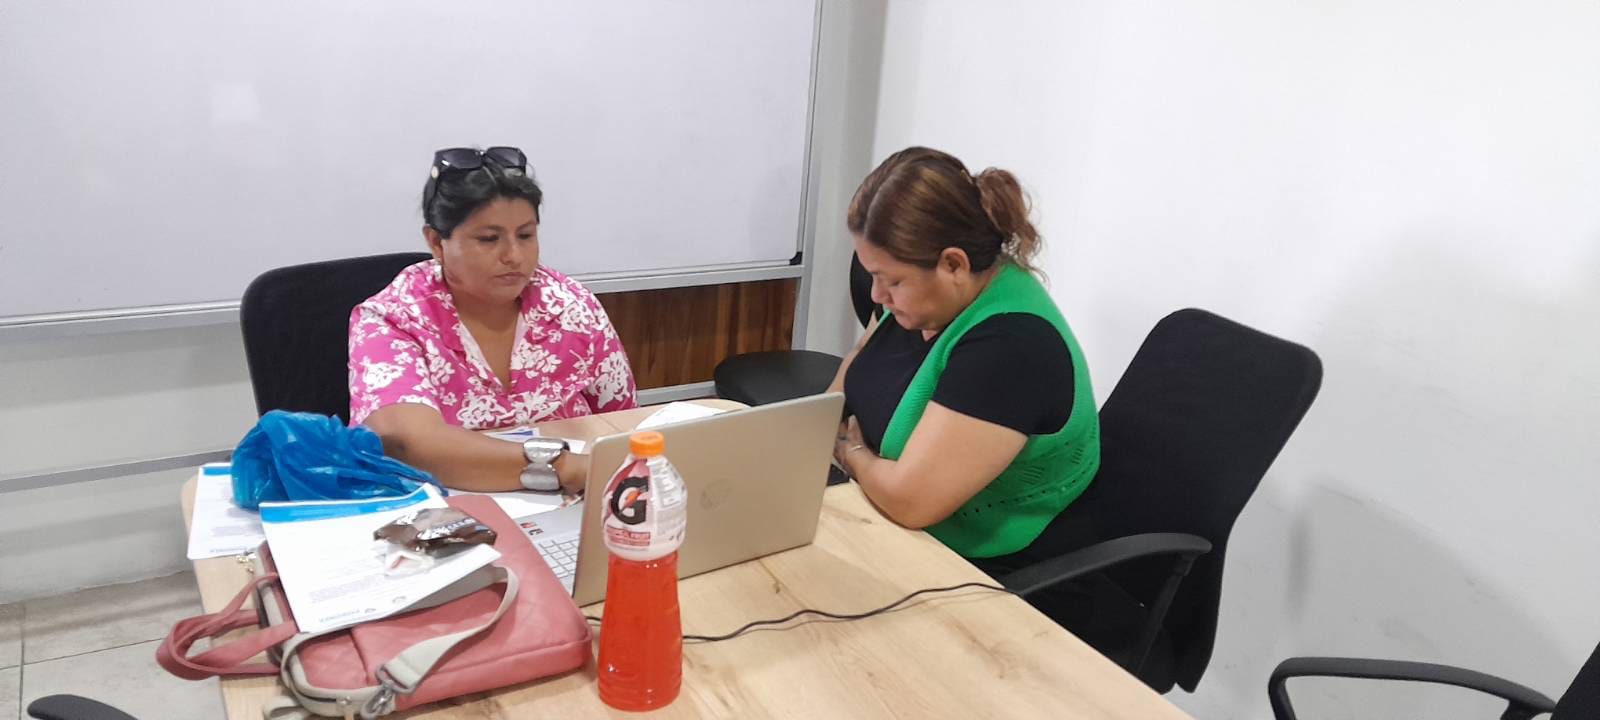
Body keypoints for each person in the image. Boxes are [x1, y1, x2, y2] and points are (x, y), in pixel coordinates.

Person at [829, 146, 1100, 569]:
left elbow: (909, 501)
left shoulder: (1010, 350)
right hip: (875, 516)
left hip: (979, 567)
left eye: (892, 281)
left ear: (953, 264)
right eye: (873, 276)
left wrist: (852, 453)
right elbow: (861, 358)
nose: (877, 295)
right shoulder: (925, 302)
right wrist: (818, 422)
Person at [349, 146, 638, 493]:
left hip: (573, 501)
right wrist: (563, 467)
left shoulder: (570, 304)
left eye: (526, 235)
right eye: (489, 239)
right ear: (437, 243)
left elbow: (624, 419)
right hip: (445, 505)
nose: (513, 256)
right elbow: (407, 443)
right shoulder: (394, 318)